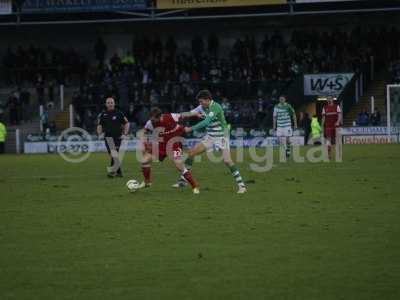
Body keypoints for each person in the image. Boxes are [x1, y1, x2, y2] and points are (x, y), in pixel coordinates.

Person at [174, 90, 247, 194]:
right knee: (191, 153)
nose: (200, 104)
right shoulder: (202, 107)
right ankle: (183, 180)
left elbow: (206, 121)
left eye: (201, 101)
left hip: (222, 136)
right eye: (199, 102)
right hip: (210, 137)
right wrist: (175, 115)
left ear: (208, 100)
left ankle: (242, 186)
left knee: (227, 161)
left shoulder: (216, 107)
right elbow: (190, 113)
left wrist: (190, 128)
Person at [138, 107, 200, 194]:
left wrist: (195, 114)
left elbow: (183, 115)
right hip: (160, 147)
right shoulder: (150, 123)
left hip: (174, 145)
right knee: (144, 161)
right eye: (151, 118)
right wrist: (143, 142)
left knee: (179, 166)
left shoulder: (170, 117)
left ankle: (195, 187)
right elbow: (142, 132)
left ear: (160, 117)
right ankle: (147, 182)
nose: (152, 121)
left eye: (154, 119)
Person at [97, 97, 130, 178]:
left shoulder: (119, 113)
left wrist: (125, 134)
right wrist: (99, 134)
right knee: (113, 155)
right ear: (106, 104)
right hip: (107, 138)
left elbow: (127, 123)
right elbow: (99, 125)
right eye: (108, 103)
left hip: (117, 137)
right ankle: (119, 173)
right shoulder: (103, 114)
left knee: (114, 154)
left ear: (114, 103)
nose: (110, 104)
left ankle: (112, 172)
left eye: (111, 102)